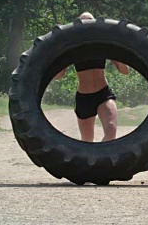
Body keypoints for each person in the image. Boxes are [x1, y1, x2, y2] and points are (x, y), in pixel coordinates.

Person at [52, 12, 130, 142]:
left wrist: (115, 50)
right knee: (87, 141)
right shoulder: (73, 47)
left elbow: (125, 71)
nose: (87, 24)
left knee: (111, 131)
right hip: (84, 98)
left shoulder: (102, 44)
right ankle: (93, 160)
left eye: (90, 21)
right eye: (84, 21)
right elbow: (58, 76)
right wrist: (62, 54)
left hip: (103, 94)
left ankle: (101, 161)